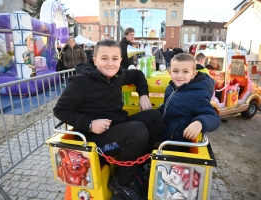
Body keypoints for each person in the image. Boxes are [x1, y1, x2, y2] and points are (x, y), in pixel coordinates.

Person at [53, 39, 164, 200]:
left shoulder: (118, 74)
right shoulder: (81, 82)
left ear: (120, 60)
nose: (110, 63)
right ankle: (122, 183)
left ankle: (137, 166)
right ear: (95, 60)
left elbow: (138, 74)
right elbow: (60, 110)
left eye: (115, 58)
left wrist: (143, 95)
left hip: (116, 128)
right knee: (136, 130)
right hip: (96, 141)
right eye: (104, 58)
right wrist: (90, 124)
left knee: (154, 117)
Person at [158, 53, 221, 152]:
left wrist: (199, 123)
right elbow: (167, 108)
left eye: (185, 72)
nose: (179, 76)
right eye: (175, 71)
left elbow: (213, 117)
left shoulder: (198, 95)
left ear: (193, 74)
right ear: (170, 72)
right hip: (164, 133)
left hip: (177, 143)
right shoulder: (171, 88)